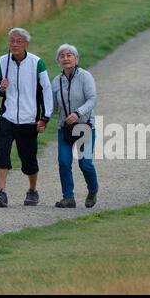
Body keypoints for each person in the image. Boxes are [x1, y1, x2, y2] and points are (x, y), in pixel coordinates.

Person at [0, 28, 53, 207]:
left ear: (26, 44)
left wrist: (45, 117)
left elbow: (46, 90)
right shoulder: (2, 62)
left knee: (28, 160)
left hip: (28, 119)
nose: (14, 44)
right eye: (11, 41)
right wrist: (0, 88)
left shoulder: (36, 63)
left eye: (18, 41)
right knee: (2, 152)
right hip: (7, 117)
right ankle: (1, 193)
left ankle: (32, 190)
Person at [52, 44, 99, 208]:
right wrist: (41, 119)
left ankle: (93, 190)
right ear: (58, 61)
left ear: (76, 58)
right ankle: (68, 197)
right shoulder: (57, 81)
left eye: (69, 55)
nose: (66, 58)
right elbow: (53, 107)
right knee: (64, 162)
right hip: (64, 128)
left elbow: (92, 99)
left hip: (84, 126)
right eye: (62, 56)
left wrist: (77, 113)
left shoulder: (85, 76)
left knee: (85, 163)